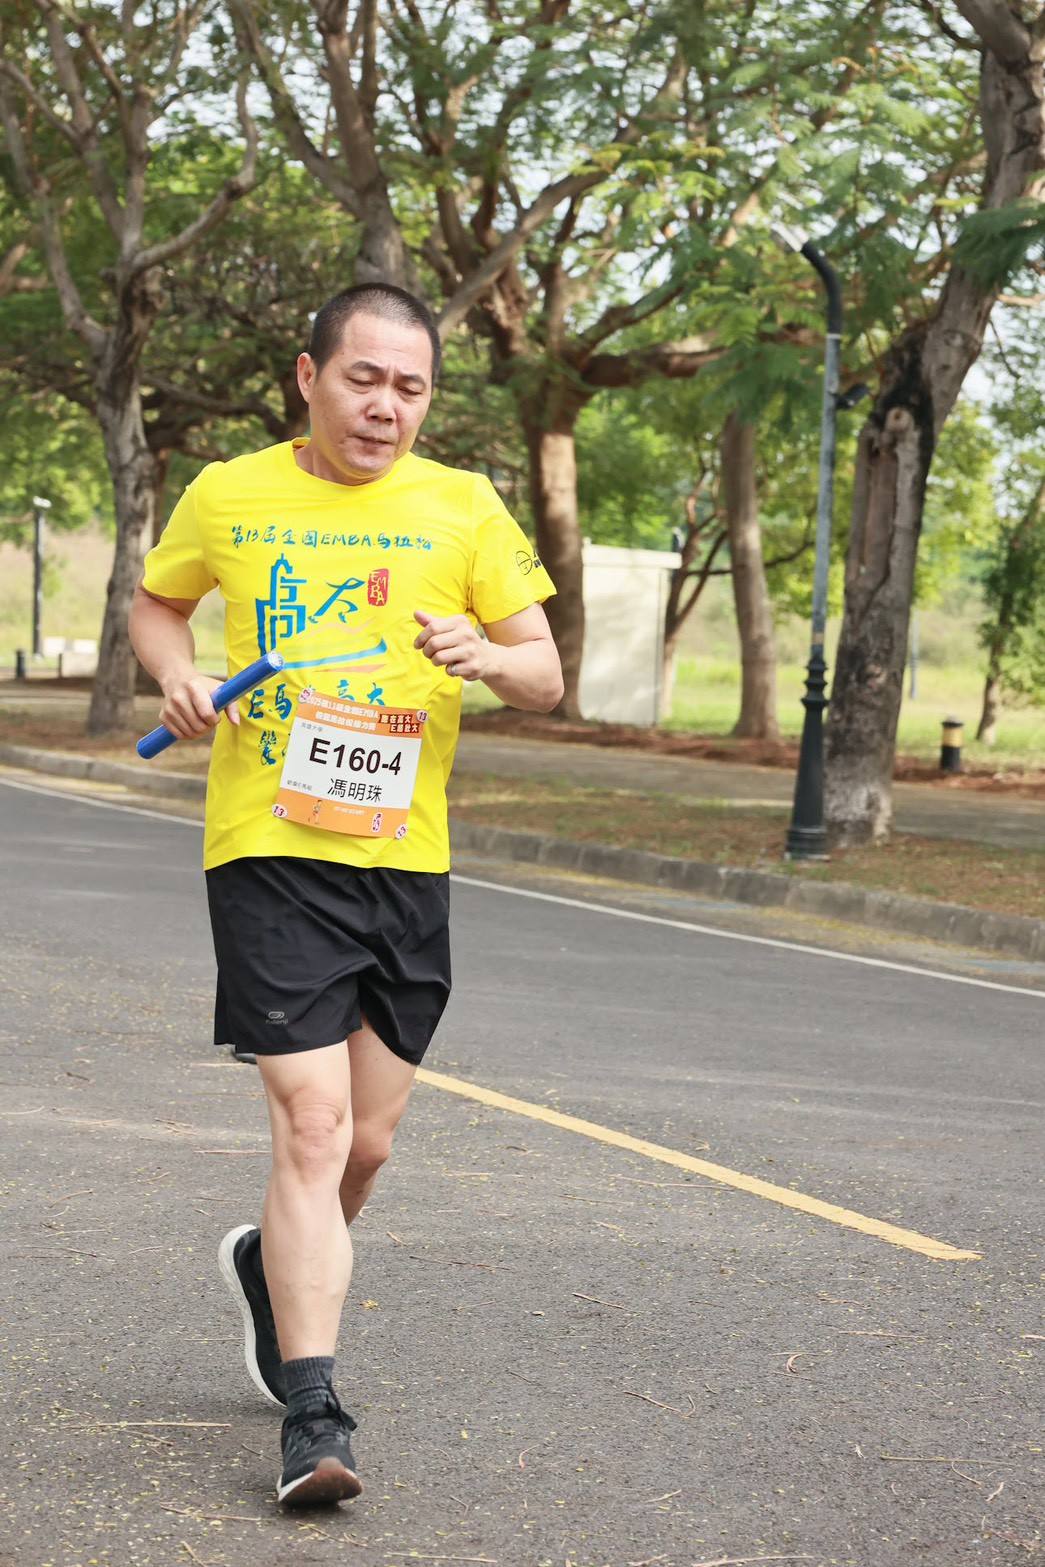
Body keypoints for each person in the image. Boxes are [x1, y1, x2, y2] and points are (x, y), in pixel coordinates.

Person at [129, 283, 562, 1507]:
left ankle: (269, 1268)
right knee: (312, 1127)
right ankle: (314, 1414)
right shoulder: (230, 492)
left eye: (410, 387)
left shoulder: (463, 505)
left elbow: (543, 673)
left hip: (403, 859)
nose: (386, 405)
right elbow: (159, 605)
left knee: (364, 1147)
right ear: (308, 376)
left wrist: (489, 655)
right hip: (268, 847)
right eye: (364, 378)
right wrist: (177, 675)